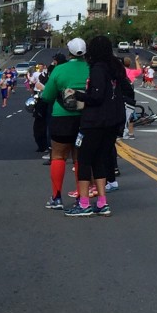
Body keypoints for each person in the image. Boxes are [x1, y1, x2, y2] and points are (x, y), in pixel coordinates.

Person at [64, 35, 128, 218]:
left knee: (84, 161)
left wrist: (77, 94)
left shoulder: (98, 69)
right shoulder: (114, 69)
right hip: (110, 122)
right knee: (99, 160)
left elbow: (96, 97)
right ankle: (102, 202)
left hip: (94, 122)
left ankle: (84, 203)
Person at [38, 38, 89, 211]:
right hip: (85, 118)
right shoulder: (90, 68)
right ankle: (81, 197)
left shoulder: (60, 69)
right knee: (79, 158)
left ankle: (56, 197)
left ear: (69, 52)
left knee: (58, 156)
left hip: (62, 117)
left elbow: (47, 96)